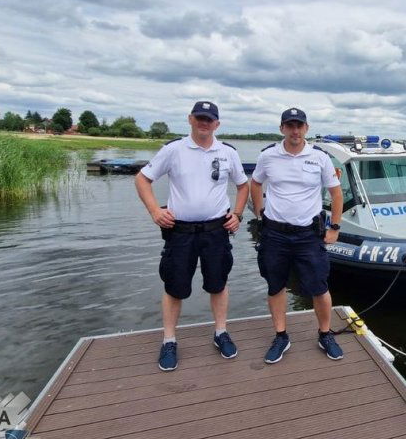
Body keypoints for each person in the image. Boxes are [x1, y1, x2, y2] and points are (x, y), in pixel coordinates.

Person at [135, 101, 249, 371]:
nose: (204, 123)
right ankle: (169, 340)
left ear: (217, 124)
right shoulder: (174, 150)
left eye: (209, 119)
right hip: (180, 231)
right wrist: (154, 211)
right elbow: (142, 179)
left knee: (218, 284)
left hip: (216, 230)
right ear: (190, 119)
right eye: (199, 118)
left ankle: (220, 332)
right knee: (174, 287)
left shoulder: (228, 152)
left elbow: (243, 186)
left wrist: (239, 214)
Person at [250, 107, 344, 364]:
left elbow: (336, 194)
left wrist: (334, 228)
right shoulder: (268, 156)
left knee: (319, 287)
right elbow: (256, 183)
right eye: (289, 125)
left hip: (308, 235)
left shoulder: (320, 158)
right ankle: (281, 336)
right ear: (282, 128)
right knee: (275, 285)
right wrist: (260, 212)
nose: (295, 130)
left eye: (299, 125)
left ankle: (325, 334)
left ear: (306, 128)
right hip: (275, 233)